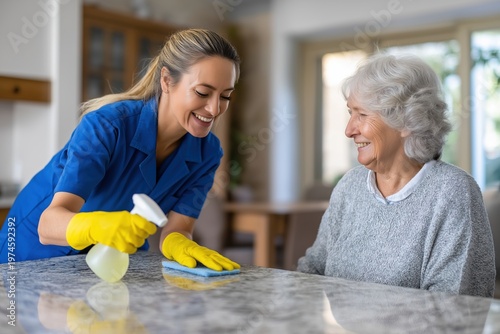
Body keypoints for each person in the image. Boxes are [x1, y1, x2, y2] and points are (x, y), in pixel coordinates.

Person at [0, 28, 240, 272]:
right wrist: (97, 227)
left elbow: (178, 228)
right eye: (203, 92)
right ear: (167, 81)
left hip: (103, 260)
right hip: (28, 250)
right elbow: (48, 225)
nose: (214, 108)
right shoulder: (107, 126)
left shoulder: (208, 153)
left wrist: (180, 243)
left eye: (225, 96)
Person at [297, 53, 496, 297]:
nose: (349, 130)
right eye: (350, 113)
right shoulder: (350, 185)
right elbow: (313, 269)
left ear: (405, 121)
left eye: (362, 115)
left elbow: (454, 307)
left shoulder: (453, 192)